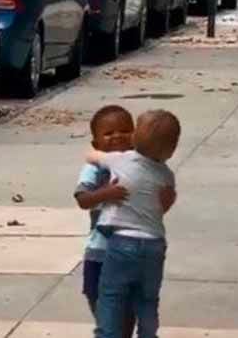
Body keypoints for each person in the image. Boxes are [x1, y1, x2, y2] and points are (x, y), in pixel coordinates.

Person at [75, 106, 176, 338]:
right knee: (101, 302)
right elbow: (82, 199)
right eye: (108, 134)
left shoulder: (147, 166)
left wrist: (165, 202)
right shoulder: (94, 168)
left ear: (136, 136)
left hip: (126, 251)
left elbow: (155, 210)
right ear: (96, 142)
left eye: (124, 131)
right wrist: (106, 193)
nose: (117, 136)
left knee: (126, 308)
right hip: (99, 251)